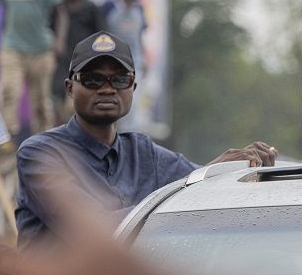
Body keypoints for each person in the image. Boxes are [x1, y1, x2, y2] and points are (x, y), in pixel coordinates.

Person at [15, 31, 279, 246]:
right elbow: (94, 231)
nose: (107, 89)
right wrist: (184, 192)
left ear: (133, 87)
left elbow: (200, 188)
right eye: (93, 79)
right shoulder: (40, 154)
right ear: (70, 88)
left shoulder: (144, 153)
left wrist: (233, 168)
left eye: (119, 79)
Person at [0, 0, 63, 136]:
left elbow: (60, 13)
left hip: (41, 50)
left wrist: (59, 40)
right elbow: (7, 15)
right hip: (12, 49)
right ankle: (8, 139)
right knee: (9, 93)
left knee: (42, 101)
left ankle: (43, 141)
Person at [52, 0, 104, 125]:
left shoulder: (91, 8)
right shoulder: (57, 8)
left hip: (83, 65)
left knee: (76, 107)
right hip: (60, 66)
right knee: (57, 105)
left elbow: (102, 36)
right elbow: (48, 32)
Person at [102, 0, 147, 77]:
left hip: (135, 62)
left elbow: (140, 35)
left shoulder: (139, 8)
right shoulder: (109, 6)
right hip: (112, 62)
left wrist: (144, 58)